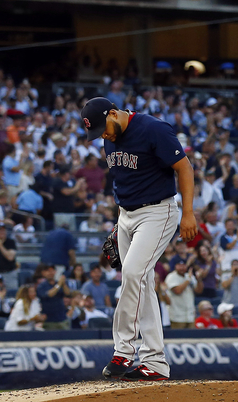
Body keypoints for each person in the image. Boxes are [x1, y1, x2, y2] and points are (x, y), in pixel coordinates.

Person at [82, 97, 198, 381]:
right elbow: (125, 178)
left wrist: (189, 213)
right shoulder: (109, 136)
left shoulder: (153, 129)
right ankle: (155, 363)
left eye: (104, 128)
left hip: (158, 212)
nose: (104, 135)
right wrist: (119, 223)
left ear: (113, 113)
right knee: (142, 283)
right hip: (127, 215)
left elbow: (184, 168)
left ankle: (123, 351)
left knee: (133, 274)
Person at [165, 258, 203, 329]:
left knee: (191, 338)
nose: (182, 268)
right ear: (175, 266)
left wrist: (199, 279)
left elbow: (198, 291)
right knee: (178, 338)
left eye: (183, 265)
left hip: (190, 315)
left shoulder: (189, 276)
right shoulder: (171, 277)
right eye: (179, 265)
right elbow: (178, 291)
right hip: (177, 316)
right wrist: (188, 280)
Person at [36, 263, 71, 330]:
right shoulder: (42, 286)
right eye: (48, 271)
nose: (51, 273)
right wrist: (59, 284)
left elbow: (68, 293)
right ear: (43, 273)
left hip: (62, 318)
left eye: (52, 270)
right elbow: (49, 294)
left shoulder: (59, 283)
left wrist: (63, 284)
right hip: (49, 320)